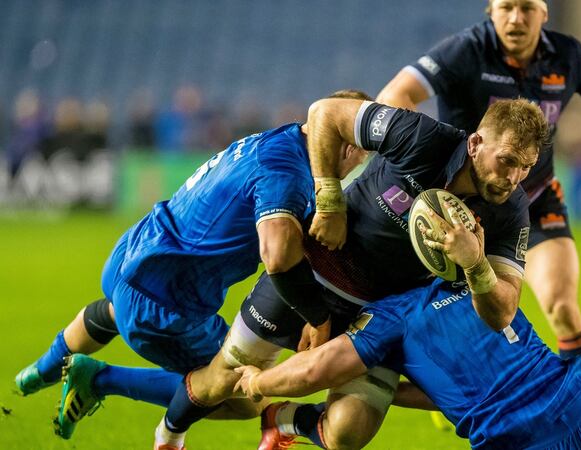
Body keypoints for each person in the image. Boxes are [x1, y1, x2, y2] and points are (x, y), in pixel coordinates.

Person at [156, 97, 550, 450]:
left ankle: (283, 421)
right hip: (314, 276)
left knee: (348, 433)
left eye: (526, 167)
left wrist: (476, 264)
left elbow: (502, 312)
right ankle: (169, 436)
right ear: (477, 144)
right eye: (508, 161)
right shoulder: (420, 136)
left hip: (381, 313)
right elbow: (324, 112)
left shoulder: (511, 210)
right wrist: (328, 199)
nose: (514, 177)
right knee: (222, 382)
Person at [14, 90, 372, 441]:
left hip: (134, 253)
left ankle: (40, 370)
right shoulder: (286, 173)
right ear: (348, 146)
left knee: (114, 310)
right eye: (358, 160)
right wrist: (317, 316)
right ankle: (99, 380)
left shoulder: (277, 138)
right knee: (241, 393)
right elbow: (277, 256)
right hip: (167, 301)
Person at [377, 0, 581, 358]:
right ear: (491, 11)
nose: (516, 18)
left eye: (527, 8)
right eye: (506, 7)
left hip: (535, 197)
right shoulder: (466, 50)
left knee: (563, 308)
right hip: (462, 208)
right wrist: (420, 155)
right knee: (445, 324)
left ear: (544, 13)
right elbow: (395, 95)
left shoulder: (569, 57)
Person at [234, 276, 581, 450]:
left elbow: (316, 371)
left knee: (348, 426)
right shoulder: (488, 278)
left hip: (513, 442)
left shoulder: (390, 315)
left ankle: (285, 422)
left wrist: (259, 381)